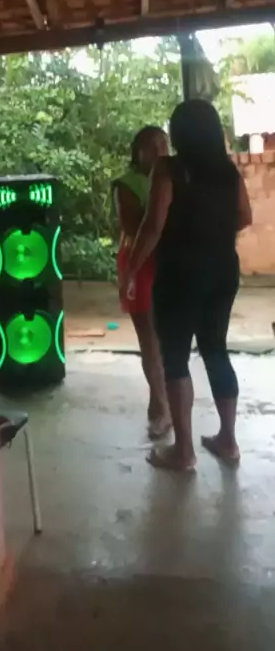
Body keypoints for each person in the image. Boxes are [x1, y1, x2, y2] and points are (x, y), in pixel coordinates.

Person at [124, 100, 252, 471]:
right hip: (222, 270)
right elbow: (245, 216)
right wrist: (212, 229)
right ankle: (228, 440)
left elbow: (153, 225)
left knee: (176, 357)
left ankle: (183, 452)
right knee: (216, 351)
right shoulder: (228, 171)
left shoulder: (168, 169)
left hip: (179, 274)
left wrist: (131, 269)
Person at [115, 126, 171, 439]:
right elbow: (136, 227)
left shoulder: (172, 178)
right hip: (139, 260)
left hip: (166, 262)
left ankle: (159, 401)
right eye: (153, 146)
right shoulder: (128, 184)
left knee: (164, 338)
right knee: (149, 338)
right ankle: (162, 407)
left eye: (164, 144)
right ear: (138, 152)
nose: (160, 152)